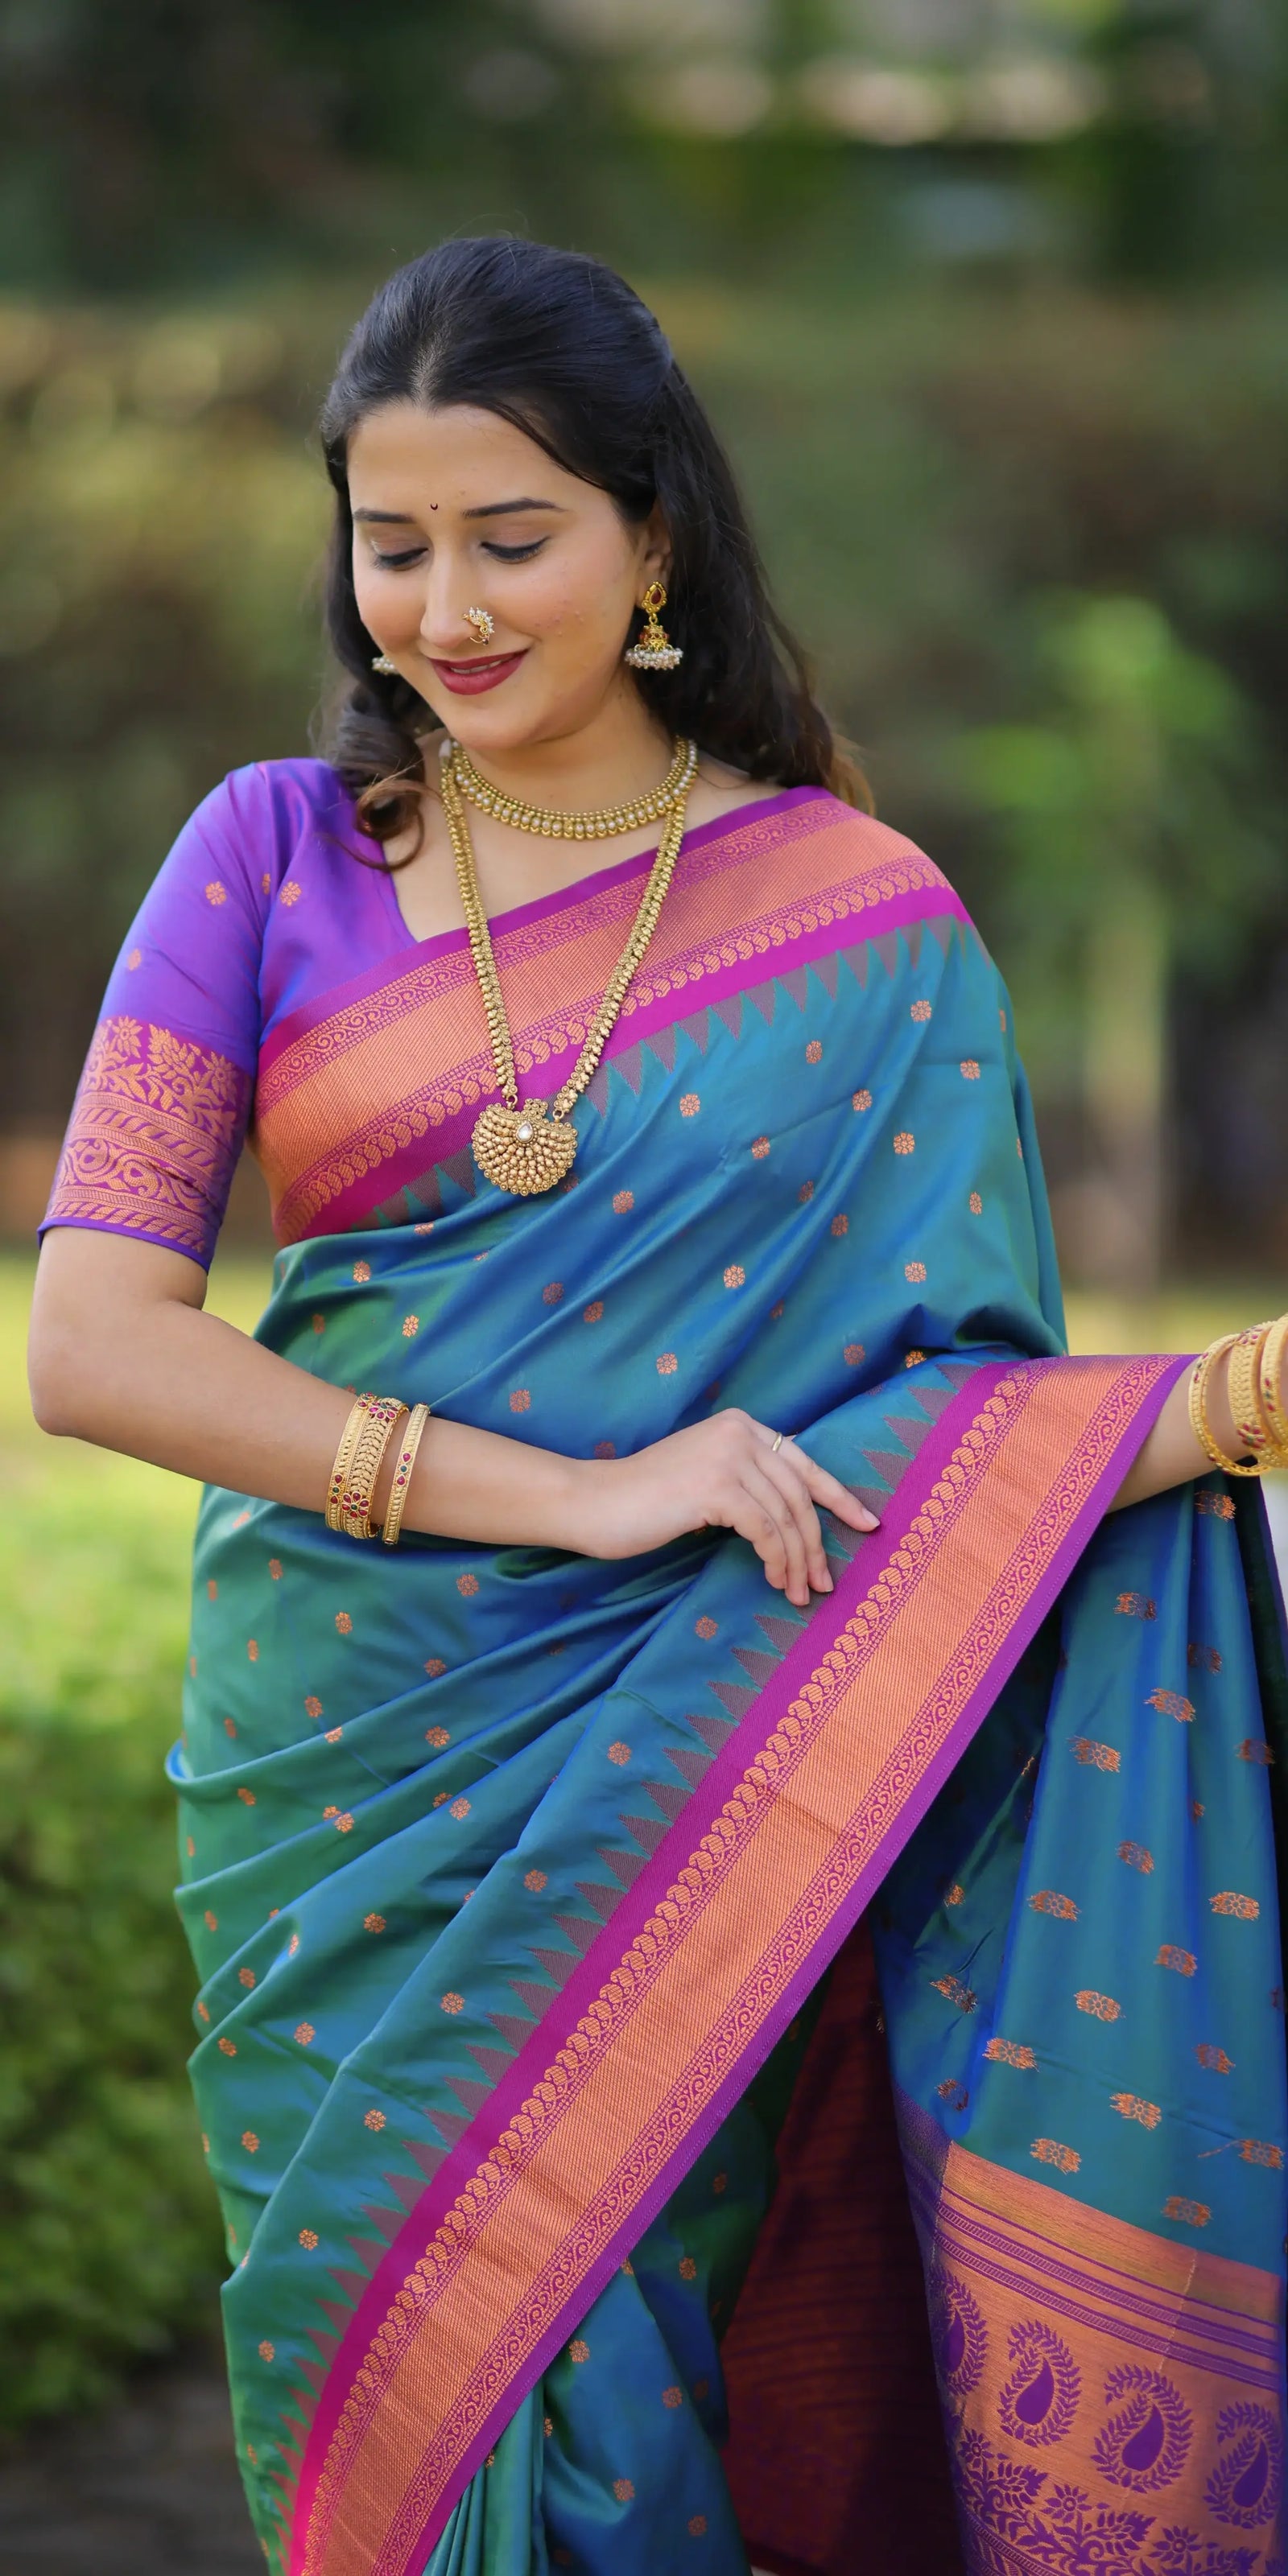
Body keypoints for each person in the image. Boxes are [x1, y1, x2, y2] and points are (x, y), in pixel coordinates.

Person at [28, 236, 1288, 2576]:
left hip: (699, 1765)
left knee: (633, 2392)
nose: (444, 608)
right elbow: (93, 1340)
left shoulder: (864, 920)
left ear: (656, 539)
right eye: (392, 545)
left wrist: (1205, 1411)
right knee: (394, 2390)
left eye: (514, 540)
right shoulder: (267, 858)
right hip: (346, 1770)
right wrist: (579, 1490)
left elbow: (963, 1421)